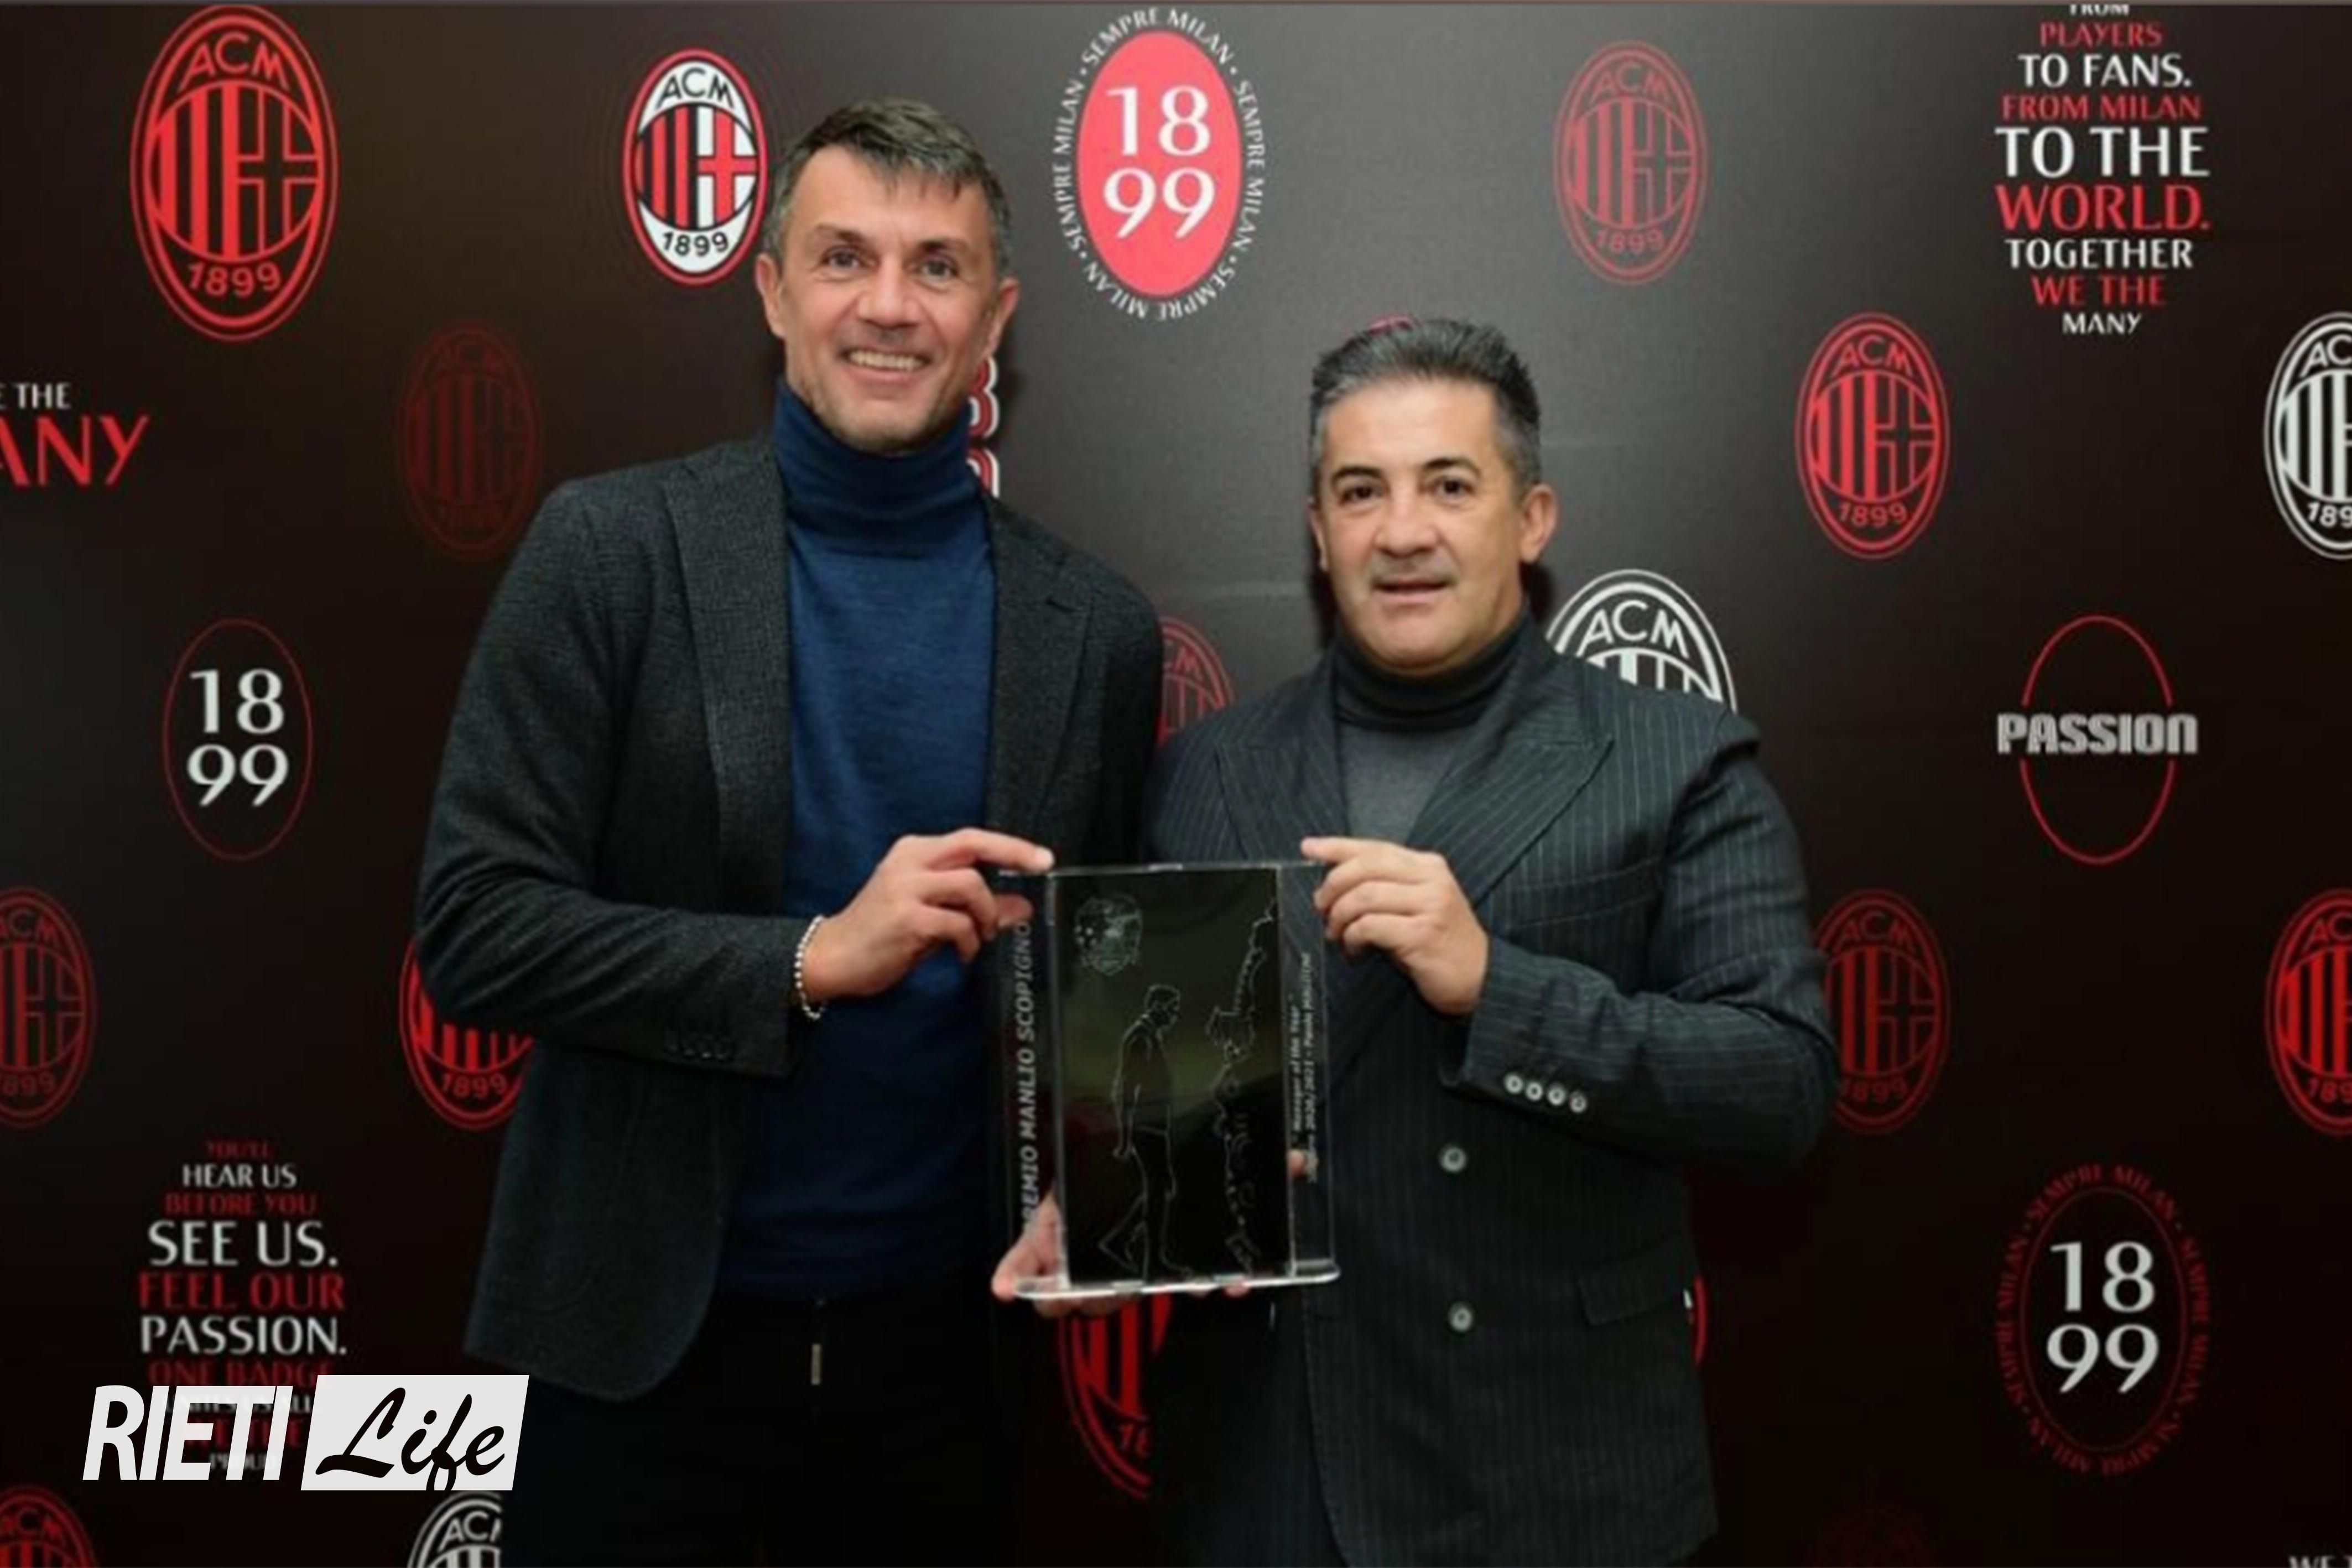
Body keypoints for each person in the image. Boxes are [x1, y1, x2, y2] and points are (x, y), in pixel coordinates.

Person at [414, 98, 1161, 1565]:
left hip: (943, 1367)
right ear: (770, 291)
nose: (888, 305)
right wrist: (808, 960)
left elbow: (1107, 981)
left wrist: (1156, 1172)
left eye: (937, 266)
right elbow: (475, 928)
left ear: (995, 315)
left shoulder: (1096, 628)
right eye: (842, 257)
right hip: (640, 1354)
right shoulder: (612, 553)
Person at [996, 318, 1835, 1565]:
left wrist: (1496, 989)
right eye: (1360, 491)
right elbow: (1171, 1085)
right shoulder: (1206, 771)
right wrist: (1114, 1202)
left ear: (1532, 517)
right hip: (1272, 1479)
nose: (1401, 531)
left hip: (1554, 1480)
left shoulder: (1674, 761)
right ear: (1317, 529)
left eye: (1448, 485)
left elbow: (1778, 1086)